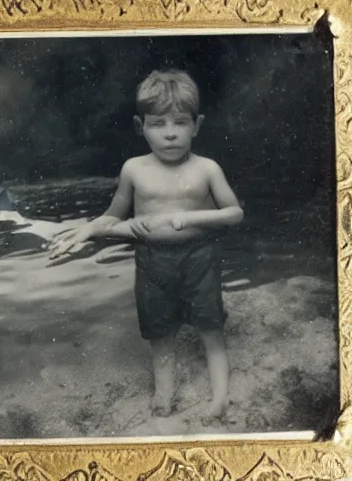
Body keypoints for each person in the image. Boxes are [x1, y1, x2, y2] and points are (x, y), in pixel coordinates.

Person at [49, 69, 243, 421]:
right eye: (157, 124)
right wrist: (87, 230)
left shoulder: (207, 169)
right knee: (160, 333)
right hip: (152, 262)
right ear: (141, 126)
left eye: (180, 122)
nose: (170, 133)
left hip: (199, 258)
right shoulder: (134, 170)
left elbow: (234, 214)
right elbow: (113, 217)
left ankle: (220, 398)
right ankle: (164, 395)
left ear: (196, 125)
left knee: (210, 328)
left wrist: (191, 219)